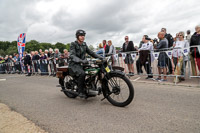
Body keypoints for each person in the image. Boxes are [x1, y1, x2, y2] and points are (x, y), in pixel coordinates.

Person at [69, 29, 103, 98]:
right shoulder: (73, 44)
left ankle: (90, 85)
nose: (82, 37)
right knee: (82, 74)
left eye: (83, 36)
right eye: (81, 36)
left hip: (83, 63)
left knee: (93, 71)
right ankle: (80, 91)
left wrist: (101, 58)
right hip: (74, 64)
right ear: (77, 36)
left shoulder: (84, 44)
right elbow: (72, 55)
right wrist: (81, 60)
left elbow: (91, 53)